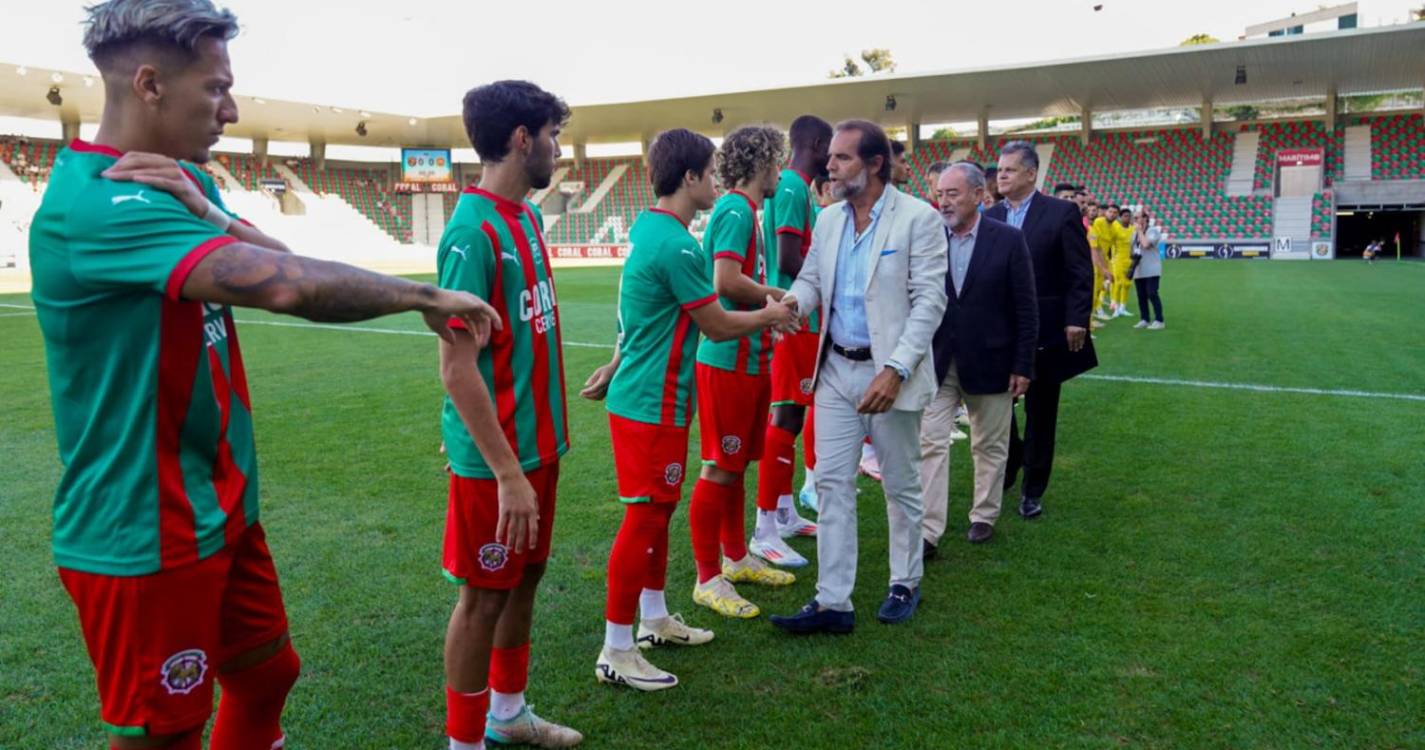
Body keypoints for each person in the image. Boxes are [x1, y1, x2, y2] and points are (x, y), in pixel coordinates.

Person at [29, 2, 501, 747]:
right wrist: (423, 293)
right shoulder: (100, 204)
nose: (231, 109)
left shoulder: (181, 187)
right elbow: (286, 286)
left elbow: (278, 257)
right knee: (165, 735)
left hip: (218, 507)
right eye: (215, 88)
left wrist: (208, 211)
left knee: (265, 674)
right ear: (149, 84)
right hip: (144, 526)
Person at [581, 128, 797, 690]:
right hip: (652, 403)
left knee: (657, 514)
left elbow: (639, 315)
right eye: (709, 170)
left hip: (655, 398)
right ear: (691, 179)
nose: (717, 180)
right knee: (645, 517)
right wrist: (772, 314)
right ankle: (616, 648)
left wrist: (614, 362)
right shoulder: (674, 243)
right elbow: (718, 324)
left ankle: (652, 620)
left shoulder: (657, 233)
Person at [436, 80, 581, 750]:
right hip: (499, 465)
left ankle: (509, 715)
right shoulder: (471, 230)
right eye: (552, 134)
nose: (558, 147)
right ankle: (464, 743)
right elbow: (457, 368)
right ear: (522, 139)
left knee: (525, 578)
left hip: (537, 448)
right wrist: (506, 473)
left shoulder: (523, 217)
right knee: (483, 596)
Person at [769, 119, 948, 634]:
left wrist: (895, 370)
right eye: (829, 157)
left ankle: (904, 582)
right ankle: (833, 601)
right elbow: (810, 279)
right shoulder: (827, 220)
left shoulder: (918, 219)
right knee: (830, 483)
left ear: (874, 164)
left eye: (842, 158)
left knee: (900, 483)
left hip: (888, 374)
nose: (829, 165)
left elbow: (929, 303)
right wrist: (792, 306)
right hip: (835, 371)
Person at [688, 125, 797, 613]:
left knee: (735, 467)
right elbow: (725, 280)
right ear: (762, 163)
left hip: (748, 359)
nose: (781, 171)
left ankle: (736, 556)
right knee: (719, 467)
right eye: (778, 161)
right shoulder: (735, 209)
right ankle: (708, 576)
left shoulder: (747, 211)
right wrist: (776, 299)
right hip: (727, 361)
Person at [920, 163, 1038, 552]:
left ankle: (984, 515)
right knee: (930, 441)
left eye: (953, 194)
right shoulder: (927, 238)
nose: (945, 202)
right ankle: (927, 530)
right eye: (941, 194)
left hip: (992, 361)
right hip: (938, 361)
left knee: (989, 443)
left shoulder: (1007, 239)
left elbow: (1025, 305)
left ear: (978, 196)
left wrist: (1023, 364)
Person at [987, 141, 1096, 521]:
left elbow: (1080, 272)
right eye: (999, 170)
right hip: (1001, 331)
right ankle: (1013, 459)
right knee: (999, 407)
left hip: (1047, 330)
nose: (1001, 175)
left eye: (1009, 170)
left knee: (1041, 410)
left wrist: (1076, 319)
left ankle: (1033, 488)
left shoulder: (1061, 212)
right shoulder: (990, 214)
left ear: (1031, 174)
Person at [758, 115, 831, 533]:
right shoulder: (790, 186)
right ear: (817, 143)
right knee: (784, 416)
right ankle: (767, 522)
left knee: (793, 416)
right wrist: (833, 278)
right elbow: (788, 260)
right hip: (793, 320)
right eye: (831, 148)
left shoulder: (795, 187)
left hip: (801, 320)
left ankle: (784, 511)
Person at [1130, 210, 1165, 329]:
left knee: (1152, 293)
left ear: (1145, 218)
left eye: (1137, 217)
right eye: (1134, 218)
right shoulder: (1134, 234)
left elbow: (1145, 244)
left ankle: (1159, 320)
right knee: (1141, 295)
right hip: (1139, 269)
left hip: (1151, 268)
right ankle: (1144, 319)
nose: (1135, 220)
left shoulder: (1152, 230)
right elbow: (1133, 249)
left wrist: (1139, 231)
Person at [1110, 207, 1135, 318]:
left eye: (1129, 216)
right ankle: (1115, 309)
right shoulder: (1116, 227)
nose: (1127, 218)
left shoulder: (1132, 229)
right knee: (1118, 283)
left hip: (1129, 260)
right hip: (1118, 259)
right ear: (1120, 217)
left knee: (1127, 284)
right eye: (1125, 216)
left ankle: (1123, 308)